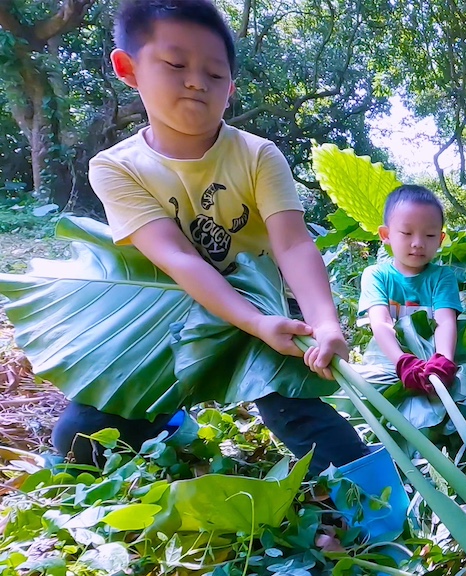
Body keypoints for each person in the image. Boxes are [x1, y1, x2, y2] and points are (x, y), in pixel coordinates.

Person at [51, 0, 372, 479]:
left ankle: (381, 505)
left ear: (231, 89)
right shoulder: (115, 167)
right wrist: (249, 323)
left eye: (215, 74)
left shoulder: (257, 154)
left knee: (296, 409)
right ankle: (172, 422)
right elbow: (179, 258)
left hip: (270, 302)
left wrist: (324, 324)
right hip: (181, 310)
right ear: (128, 69)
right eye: (176, 64)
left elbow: (293, 244)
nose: (197, 81)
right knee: (78, 439)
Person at [358, 185, 466, 469]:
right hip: (390, 363)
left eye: (430, 235)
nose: (418, 243)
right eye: (407, 233)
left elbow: (445, 320)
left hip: (440, 361)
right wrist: (403, 362)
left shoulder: (442, 276)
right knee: (367, 418)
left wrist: (444, 361)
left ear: (441, 239)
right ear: (385, 235)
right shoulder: (376, 275)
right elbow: (380, 323)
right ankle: (394, 476)